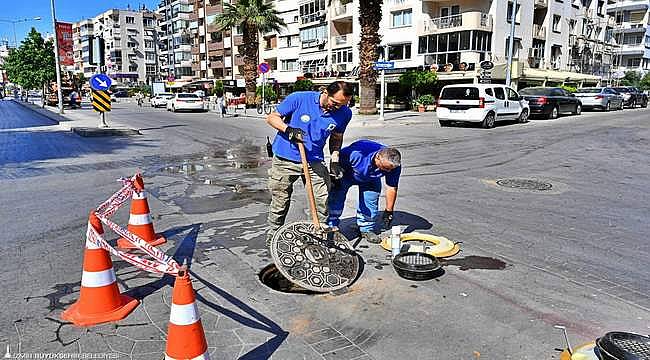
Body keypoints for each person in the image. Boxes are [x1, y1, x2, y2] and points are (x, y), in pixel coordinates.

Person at [265, 81, 354, 246]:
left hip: (314, 159)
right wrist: (288, 129)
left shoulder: (344, 113)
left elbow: (336, 137)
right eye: (334, 103)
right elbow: (272, 117)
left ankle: (318, 234)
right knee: (281, 200)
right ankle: (273, 235)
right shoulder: (299, 98)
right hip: (285, 158)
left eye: (342, 105)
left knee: (322, 197)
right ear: (325, 92)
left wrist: (335, 158)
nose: (337, 108)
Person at [327, 140, 402, 243]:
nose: (388, 172)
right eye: (385, 168)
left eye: (390, 169)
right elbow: (336, 160)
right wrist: (334, 177)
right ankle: (331, 227)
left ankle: (366, 228)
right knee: (336, 198)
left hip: (371, 178)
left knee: (371, 200)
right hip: (347, 174)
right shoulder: (356, 154)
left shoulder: (393, 165)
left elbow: (391, 187)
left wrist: (389, 210)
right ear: (377, 158)